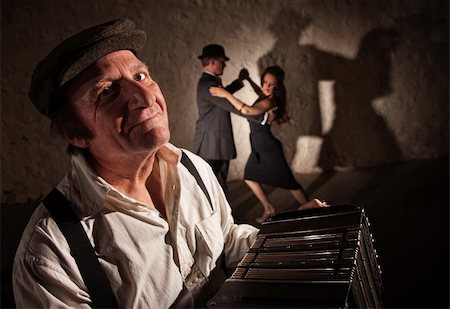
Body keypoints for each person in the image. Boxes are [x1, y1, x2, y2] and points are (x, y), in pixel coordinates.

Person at [12, 19, 264, 308]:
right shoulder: (50, 253)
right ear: (75, 133)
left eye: (141, 77)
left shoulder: (193, 168)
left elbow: (227, 239)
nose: (145, 98)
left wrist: (285, 239)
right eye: (107, 91)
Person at [210, 66, 321, 223]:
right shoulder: (263, 94)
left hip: (268, 147)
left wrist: (226, 94)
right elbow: (259, 90)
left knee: (290, 183)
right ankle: (268, 207)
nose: (267, 86)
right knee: (249, 177)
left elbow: (248, 110)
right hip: (258, 146)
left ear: (278, 86)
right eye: (265, 82)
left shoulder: (271, 101)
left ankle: (313, 210)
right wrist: (247, 80)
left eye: (272, 84)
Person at [193, 44, 272, 197]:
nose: (225, 64)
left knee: (219, 185)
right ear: (213, 61)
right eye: (223, 61)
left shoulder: (210, 83)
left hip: (216, 143)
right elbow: (232, 106)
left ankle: (227, 217)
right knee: (210, 187)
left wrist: (239, 81)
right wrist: (262, 116)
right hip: (210, 144)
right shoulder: (209, 85)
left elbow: (224, 95)